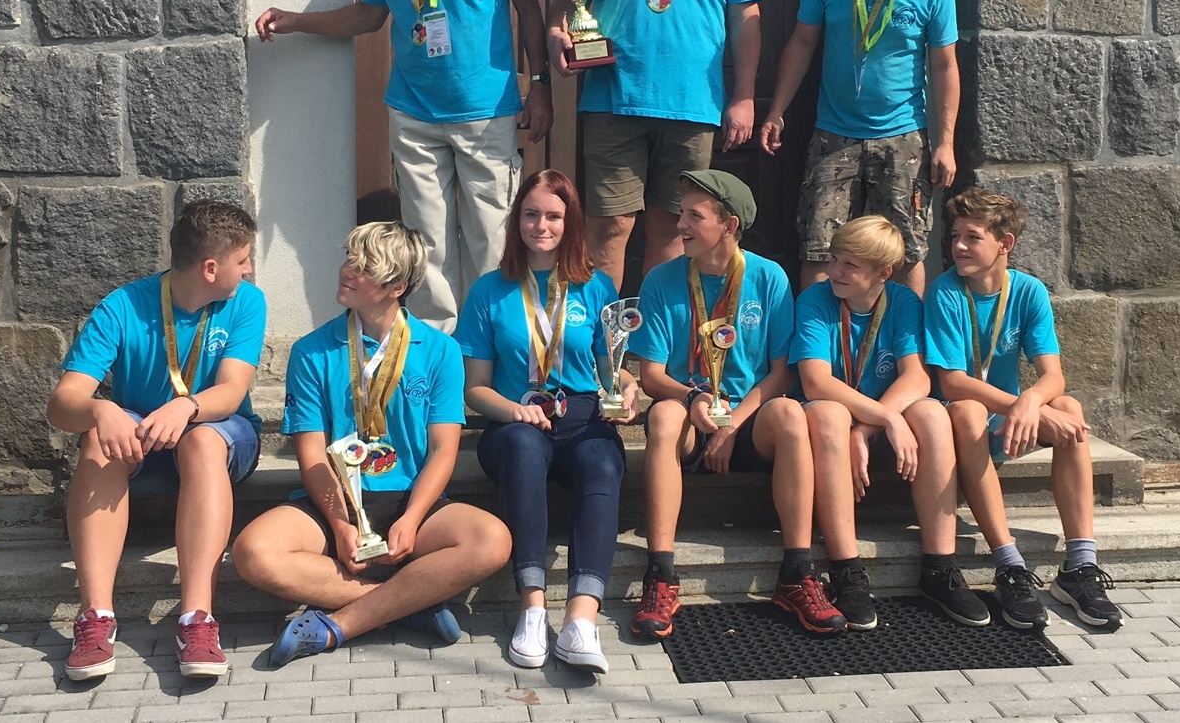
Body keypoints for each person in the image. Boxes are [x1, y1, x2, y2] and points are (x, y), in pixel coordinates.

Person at [255, 0, 552, 330]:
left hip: (484, 110)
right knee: (425, 242)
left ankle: (488, 344)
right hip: (414, 112)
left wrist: (539, 83)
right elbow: (369, 14)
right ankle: (438, 347)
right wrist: (298, 22)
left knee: (491, 237)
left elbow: (528, 6)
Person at [230, 222, 511, 665]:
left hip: (411, 499)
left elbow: (443, 450)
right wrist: (341, 524)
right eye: (349, 258)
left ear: (397, 286)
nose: (347, 270)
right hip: (337, 498)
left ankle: (340, 625)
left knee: (492, 540)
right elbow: (310, 452)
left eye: (365, 267)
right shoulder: (311, 350)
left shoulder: (439, 350)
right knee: (252, 552)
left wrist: (412, 519)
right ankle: (408, 603)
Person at [47, 200, 265, 681]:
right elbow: (61, 404)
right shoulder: (122, 306)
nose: (249, 269)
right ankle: (96, 617)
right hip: (143, 439)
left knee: (201, 442)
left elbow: (232, 392)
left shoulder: (246, 302)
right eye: (243, 259)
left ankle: (197, 620)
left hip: (220, 433)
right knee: (97, 438)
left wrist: (186, 407)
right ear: (211, 268)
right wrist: (100, 409)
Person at [549, 0, 760, 289]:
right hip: (615, 95)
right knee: (609, 226)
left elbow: (745, 12)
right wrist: (556, 30)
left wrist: (744, 96)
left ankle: (653, 334)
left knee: (674, 229)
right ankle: (603, 334)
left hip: (692, 101)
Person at [629, 169, 844, 639]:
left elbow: (783, 371)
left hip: (748, 421)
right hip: (691, 417)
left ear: (729, 225)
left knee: (790, 412)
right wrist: (692, 397)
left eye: (694, 216)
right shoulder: (662, 278)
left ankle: (797, 571)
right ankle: (660, 574)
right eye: (681, 213)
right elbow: (652, 376)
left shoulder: (768, 277)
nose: (680, 224)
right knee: (663, 416)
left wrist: (731, 425)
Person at [456, 169, 638, 673]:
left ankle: (581, 619)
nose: (542, 226)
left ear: (570, 222)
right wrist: (514, 410)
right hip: (514, 420)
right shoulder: (489, 291)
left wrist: (627, 388)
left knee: (603, 464)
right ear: (517, 220)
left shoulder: (596, 287)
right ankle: (532, 609)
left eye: (554, 216)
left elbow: (611, 369)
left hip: (581, 415)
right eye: (532, 215)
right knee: (522, 448)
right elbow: (475, 388)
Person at [924, 187, 1123, 631]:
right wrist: (1022, 405)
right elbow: (952, 382)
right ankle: (1009, 564)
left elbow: (1053, 375)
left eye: (972, 237)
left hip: (1010, 418)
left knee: (1068, 408)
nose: (958, 246)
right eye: (955, 236)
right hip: (960, 424)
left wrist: (1032, 402)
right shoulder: (945, 292)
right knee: (968, 410)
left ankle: (1080, 565)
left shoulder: (1028, 290)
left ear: (1005, 243)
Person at [790, 214, 988, 630]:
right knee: (829, 413)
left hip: (876, 430)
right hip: (832, 425)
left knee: (932, 413)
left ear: (883, 273)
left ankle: (940, 567)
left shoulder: (902, 302)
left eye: (850, 265)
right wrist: (885, 417)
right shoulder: (815, 300)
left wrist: (869, 428)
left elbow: (916, 377)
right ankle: (846, 570)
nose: (835, 271)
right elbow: (815, 381)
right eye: (835, 259)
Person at [759, 0, 959, 296]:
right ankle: (817, 335)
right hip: (834, 133)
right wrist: (777, 110)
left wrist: (945, 143)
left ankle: (904, 336)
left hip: (902, 134)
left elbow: (943, 66)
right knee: (819, 245)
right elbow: (802, 43)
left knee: (904, 250)